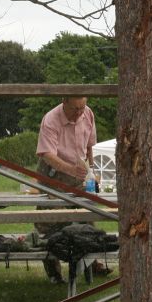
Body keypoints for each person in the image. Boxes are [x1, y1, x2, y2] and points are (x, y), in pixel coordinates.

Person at [35, 95, 96, 284]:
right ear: (64, 102)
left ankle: (90, 261)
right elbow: (46, 154)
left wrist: (90, 172)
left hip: (78, 172)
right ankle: (54, 272)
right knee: (50, 222)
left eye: (82, 107)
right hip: (52, 174)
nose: (79, 113)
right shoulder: (51, 120)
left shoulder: (88, 114)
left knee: (86, 215)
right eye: (75, 108)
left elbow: (89, 146)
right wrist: (71, 170)